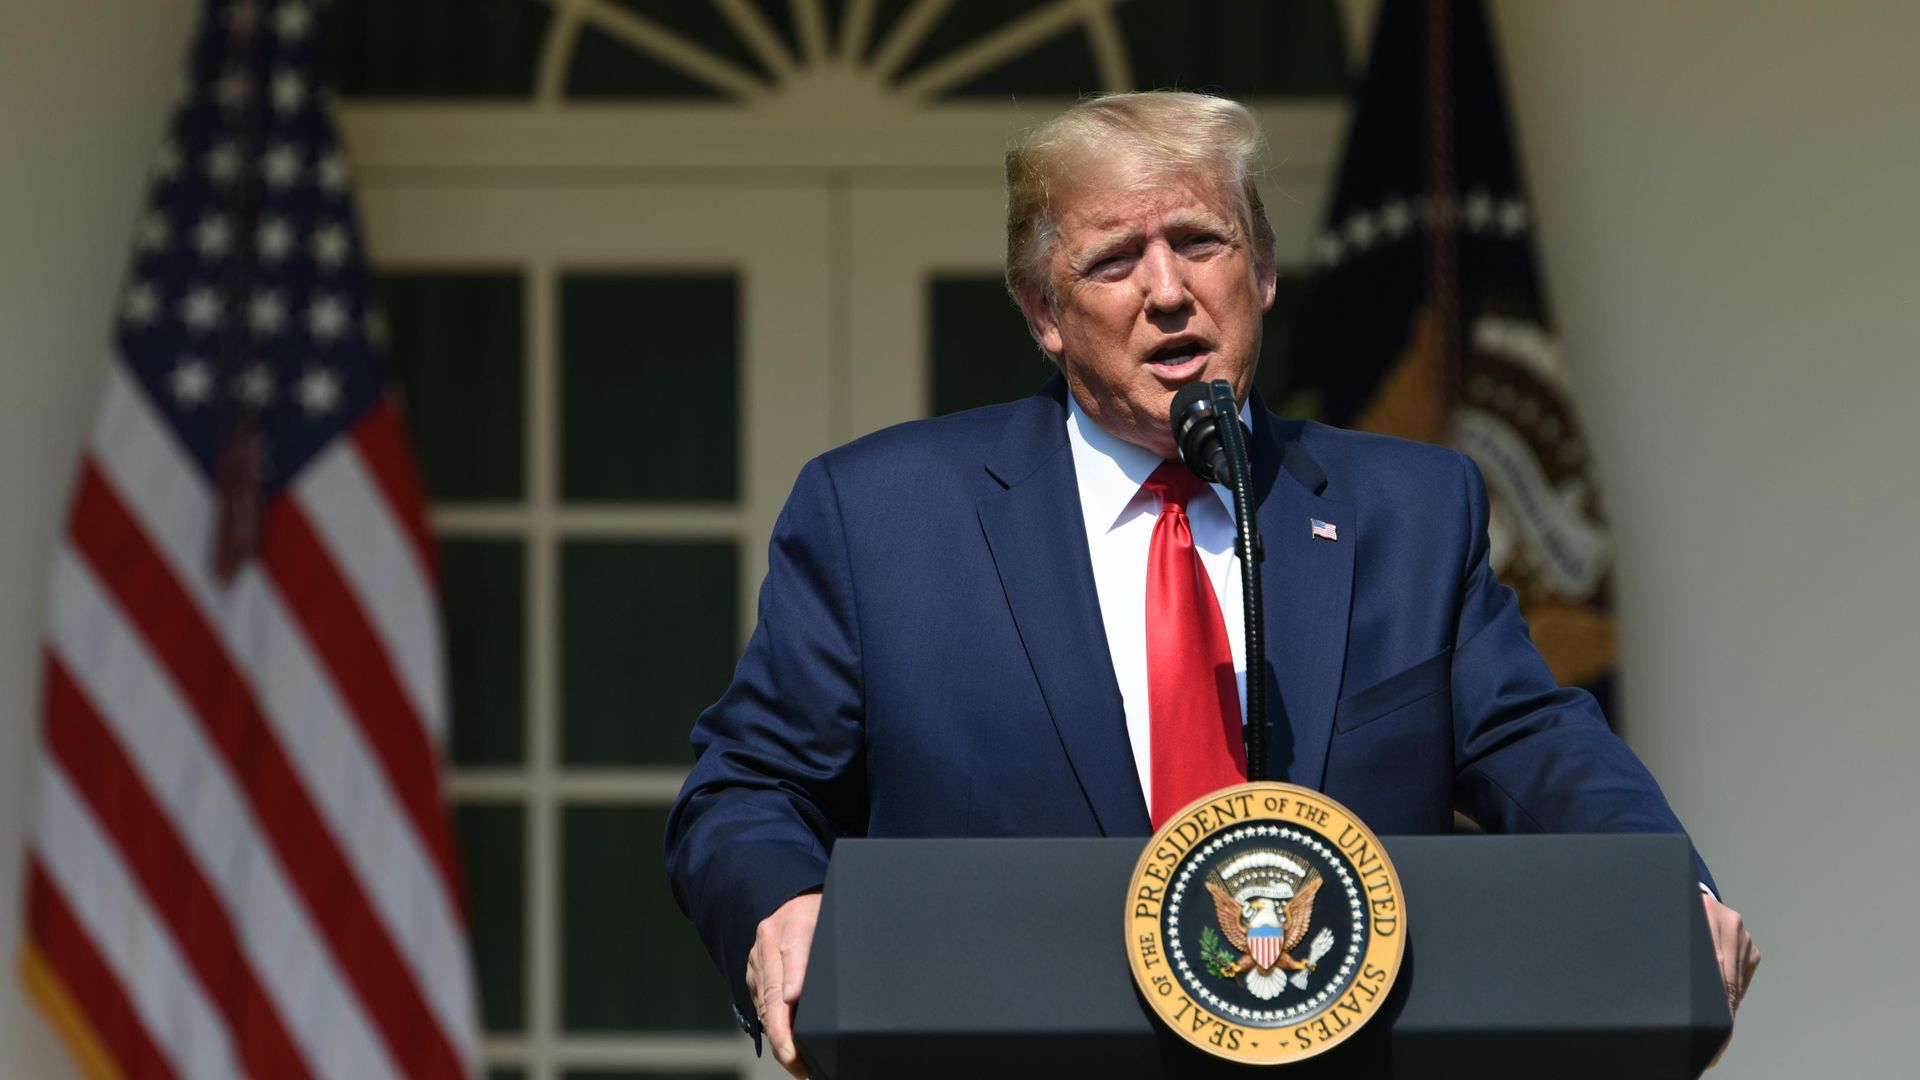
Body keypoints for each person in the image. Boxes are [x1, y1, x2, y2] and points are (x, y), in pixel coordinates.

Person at [665, 91, 1758, 1077]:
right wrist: (784, 905)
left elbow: (1538, 744)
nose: (1168, 291)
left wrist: (1674, 891)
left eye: (1201, 242)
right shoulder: (883, 518)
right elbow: (748, 787)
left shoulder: (1409, 512)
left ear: (1265, 272)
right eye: (1113, 261)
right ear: (1044, 312)